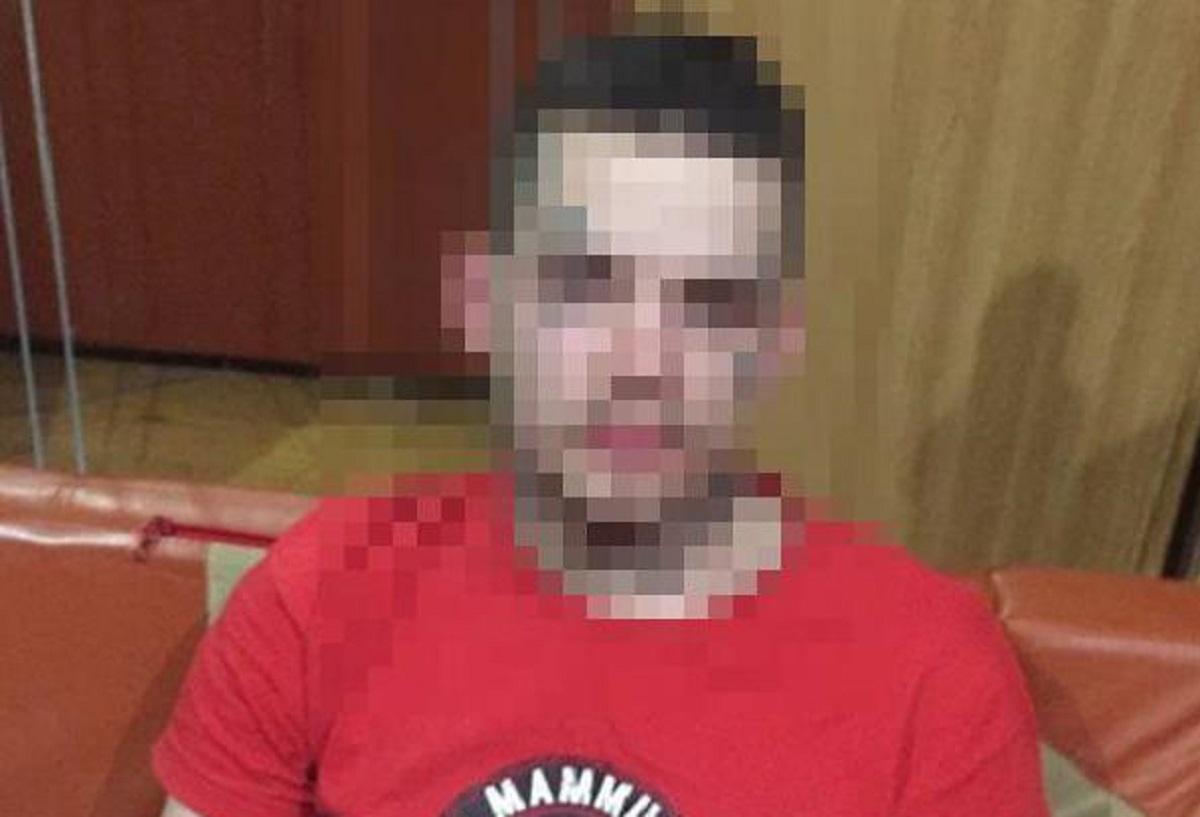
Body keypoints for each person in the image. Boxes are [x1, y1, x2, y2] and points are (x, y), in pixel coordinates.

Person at [154, 32, 1049, 817]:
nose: (642, 360)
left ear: (777, 341)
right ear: (481, 303)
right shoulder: (319, 591)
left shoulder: (935, 680)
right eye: (583, 284)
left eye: (710, 301)